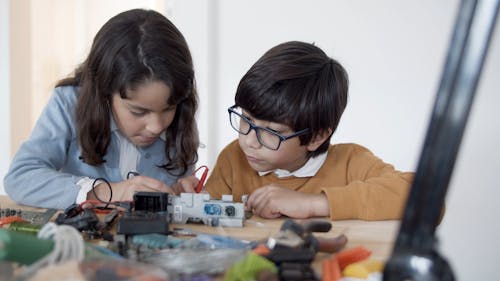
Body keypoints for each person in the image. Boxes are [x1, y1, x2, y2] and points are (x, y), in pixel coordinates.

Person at [4, 9, 200, 209]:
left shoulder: (180, 114)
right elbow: (20, 178)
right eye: (139, 112)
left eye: (169, 108)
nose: (156, 126)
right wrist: (106, 192)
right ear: (104, 92)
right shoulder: (69, 104)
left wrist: (182, 194)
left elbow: (175, 197)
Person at [204, 41, 413, 221]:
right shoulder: (234, 159)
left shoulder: (351, 163)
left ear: (316, 137)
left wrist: (313, 204)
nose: (249, 141)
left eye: (271, 131)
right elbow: (200, 219)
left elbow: (425, 197)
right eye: (246, 119)